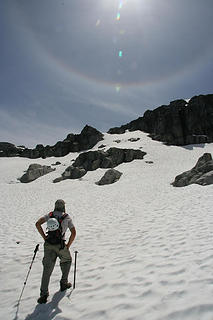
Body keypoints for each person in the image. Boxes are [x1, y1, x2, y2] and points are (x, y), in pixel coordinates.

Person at [35, 199, 76, 304]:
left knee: (47, 269)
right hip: (61, 245)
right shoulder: (67, 217)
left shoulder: (50, 215)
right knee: (67, 260)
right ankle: (64, 283)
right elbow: (73, 233)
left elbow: (38, 224)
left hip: (49, 245)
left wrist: (44, 237)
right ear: (63, 206)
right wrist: (67, 245)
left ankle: (43, 294)